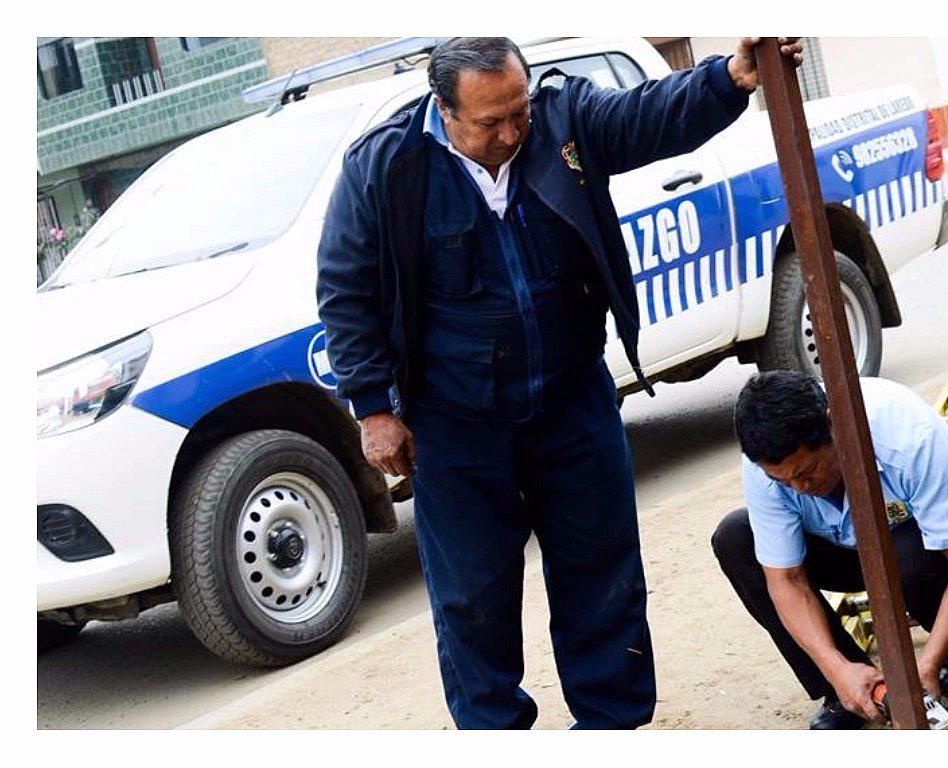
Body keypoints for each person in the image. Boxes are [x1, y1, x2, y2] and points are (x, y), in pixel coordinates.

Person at [316, 36, 804, 729]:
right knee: (472, 598)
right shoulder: (387, 167)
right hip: (455, 422)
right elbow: (344, 288)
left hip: (571, 396)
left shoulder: (563, 123)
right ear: (444, 110)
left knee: (601, 572)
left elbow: (648, 114)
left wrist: (730, 77)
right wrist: (373, 408)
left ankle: (611, 726)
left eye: (519, 112)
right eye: (491, 122)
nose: (512, 133)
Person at [712, 371, 948, 729]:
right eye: (784, 481)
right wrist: (837, 669)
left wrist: (927, 665)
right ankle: (851, 689)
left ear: (835, 425)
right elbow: (785, 579)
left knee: (906, 550)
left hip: (922, 544)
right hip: (843, 547)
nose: (799, 488)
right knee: (735, 539)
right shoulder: (768, 464)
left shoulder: (907, 435)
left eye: (808, 471)